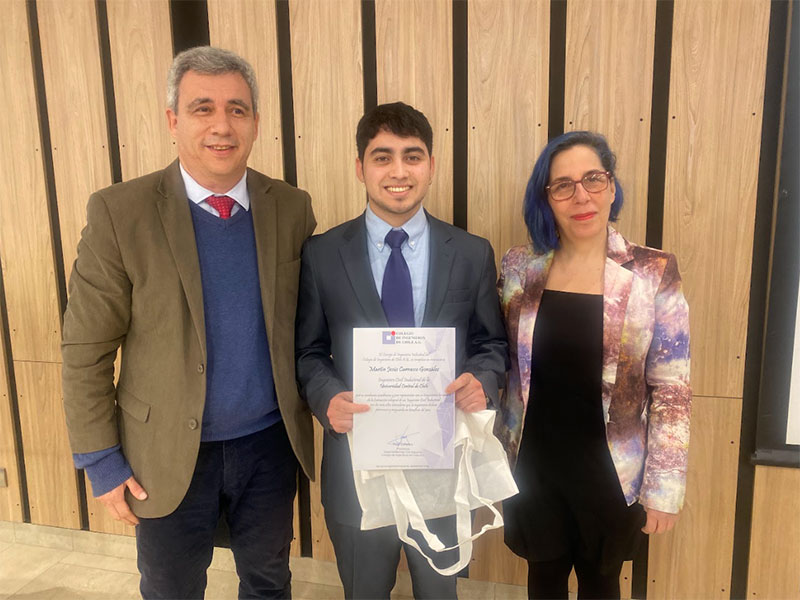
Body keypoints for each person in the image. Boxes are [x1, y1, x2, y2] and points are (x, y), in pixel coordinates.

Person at [61, 46, 316, 599]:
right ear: (173, 120)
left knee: (269, 582)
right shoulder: (120, 212)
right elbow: (85, 348)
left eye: (237, 109)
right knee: (171, 589)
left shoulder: (292, 208)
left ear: (255, 122)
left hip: (268, 446)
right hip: (163, 451)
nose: (222, 125)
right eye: (203, 108)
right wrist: (101, 460)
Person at [295, 101, 508, 599]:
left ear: (431, 166)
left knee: (439, 594)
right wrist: (327, 398)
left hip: (442, 463)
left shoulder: (471, 253)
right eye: (382, 157)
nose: (398, 171)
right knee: (364, 592)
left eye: (412, 156)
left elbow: (491, 343)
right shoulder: (322, 254)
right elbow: (308, 351)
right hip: (357, 466)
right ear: (360, 167)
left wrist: (482, 380)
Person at [496, 131, 691, 600]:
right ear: (546, 198)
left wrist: (663, 489)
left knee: (601, 584)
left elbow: (672, 387)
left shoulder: (651, 271)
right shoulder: (520, 266)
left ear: (611, 186)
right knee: (543, 581)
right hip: (534, 464)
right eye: (563, 185)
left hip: (609, 471)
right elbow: (498, 356)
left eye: (593, 179)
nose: (580, 196)